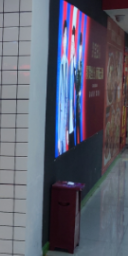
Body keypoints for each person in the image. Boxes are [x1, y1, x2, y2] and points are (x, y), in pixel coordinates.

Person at [57, 19, 70, 155]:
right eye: (64, 36)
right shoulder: (60, 61)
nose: (65, 40)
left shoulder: (66, 61)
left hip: (63, 118)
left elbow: (66, 97)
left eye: (66, 37)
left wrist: (66, 128)